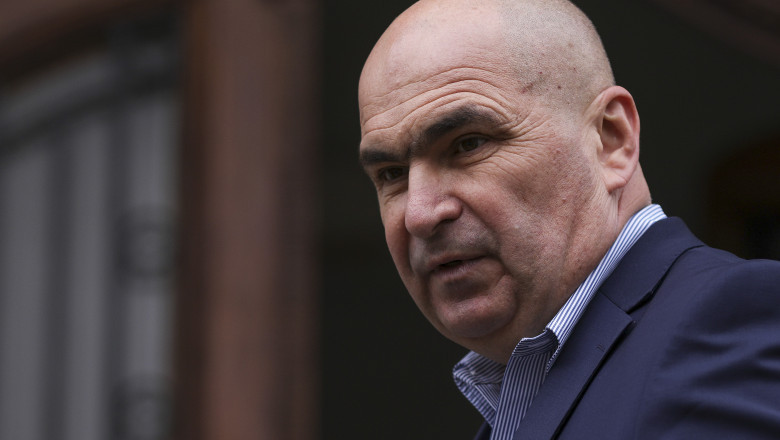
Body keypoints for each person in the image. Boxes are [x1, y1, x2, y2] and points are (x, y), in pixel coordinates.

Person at [356, 0, 780, 438]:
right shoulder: (530, 391)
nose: (420, 214)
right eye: (391, 174)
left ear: (611, 140)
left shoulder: (728, 323)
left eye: (469, 144)